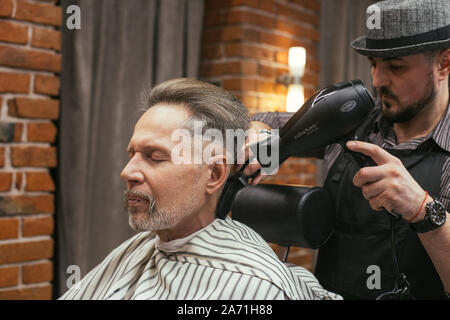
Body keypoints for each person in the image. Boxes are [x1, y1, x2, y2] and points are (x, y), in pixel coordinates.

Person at [59, 78, 341, 300]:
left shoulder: (250, 287)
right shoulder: (144, 247)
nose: (127, 172)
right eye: (131, 154)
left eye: (155, 157)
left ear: (215, 174)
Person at [246, 0, 450, 299]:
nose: (378, 80)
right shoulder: (345, 122)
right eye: (373, 64)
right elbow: (264, 122)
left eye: (396, 66)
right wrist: (259, 140)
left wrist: (423, 209)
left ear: (444, 63)